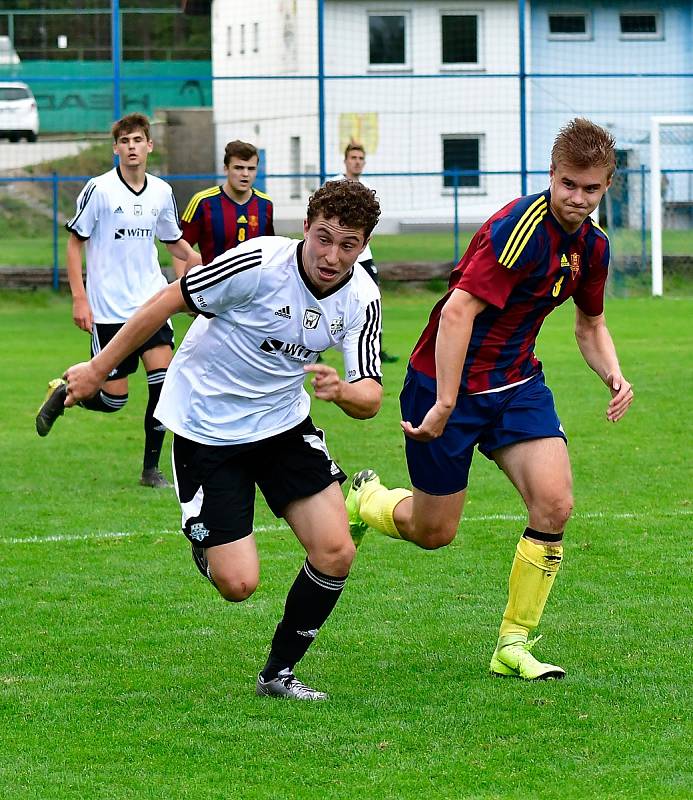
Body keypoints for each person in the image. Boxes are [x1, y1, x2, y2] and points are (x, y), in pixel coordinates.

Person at [54, 180, 383, 701]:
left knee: (336, 552)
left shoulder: (362, 296)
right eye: (324, 238)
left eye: (348, 245)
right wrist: (99, 368)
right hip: (208, 426)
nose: (332, 255)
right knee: (239, 586)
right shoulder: (256, 263)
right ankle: (206, 541)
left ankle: (278, 674)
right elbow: (167, 300)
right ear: (305, 228)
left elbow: (370, 396)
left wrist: (343, 392)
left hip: (282, 424)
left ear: (363, 247)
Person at [346, 118, 634, 681]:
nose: (576, 198)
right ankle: (369, 499)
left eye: (590, 188)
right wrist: (448, 402)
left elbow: (590, 325)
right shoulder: (518, 230)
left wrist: (614, 376)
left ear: (606, 187)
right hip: (440, 384)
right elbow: (456, 314)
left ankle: (514, 643)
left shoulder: (592, 247)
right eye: (568, 184)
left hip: (518, 386)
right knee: (434, 533)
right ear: (551, 176)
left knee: (554, 505)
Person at [35, 113, 201, 489]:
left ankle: (151, 470)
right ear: (115, 148)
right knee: (113, 401)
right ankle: (65, 392)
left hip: (152, 302)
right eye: (124, 141)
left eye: (138, 140)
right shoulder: (100, 189)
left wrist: (198, 265)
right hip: (110, 308)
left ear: (149, 146)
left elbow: (172, 240)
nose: (131, 147)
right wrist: (80, 298)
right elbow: (76, 242)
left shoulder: (161, 191)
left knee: (163, 382)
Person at [329, 141, 398, 363]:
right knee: (327, 296)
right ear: (346, 161)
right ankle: (313, 347)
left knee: (373, 297)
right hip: (340, 255)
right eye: (353, 158)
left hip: (363, 256)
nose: (357, 162)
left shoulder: (368, 187)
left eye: (360, 159)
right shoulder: (333, 185)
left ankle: (375, 346)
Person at [172, 139, 274, 273]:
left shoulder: (265, 204)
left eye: (251, 168)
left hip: (253, 291)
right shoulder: (203, 201)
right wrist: (182, 286)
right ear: (226, 169)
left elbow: (271, 252)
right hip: (213, 288)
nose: (245, 174)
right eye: (238, 168)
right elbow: (180, 249)